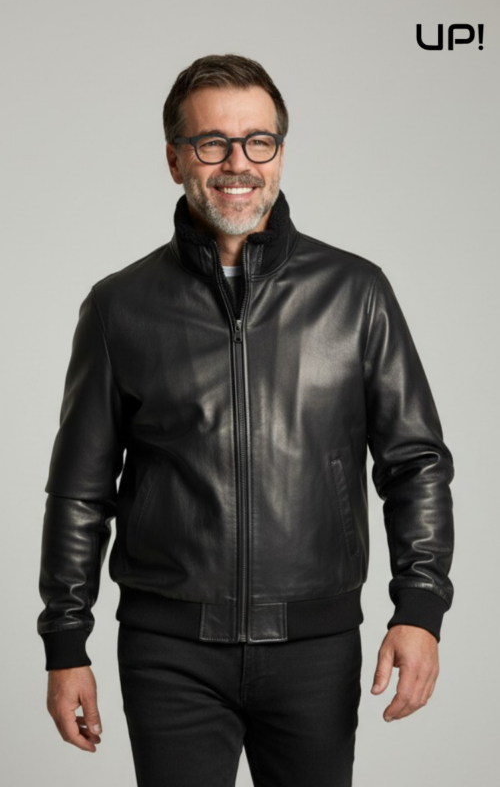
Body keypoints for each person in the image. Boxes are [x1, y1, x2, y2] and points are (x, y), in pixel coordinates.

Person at [37, 53, 455, 786]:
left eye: (258, 141)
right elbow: (80, 490)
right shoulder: (118, 307)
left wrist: (419, 608)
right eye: (212, 143)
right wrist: (65, 643)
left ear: (280, 153)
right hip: (169, 654)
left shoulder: (355, 293)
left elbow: (415, 462)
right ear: (175, 158)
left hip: (316, 649)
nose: (239, 163)